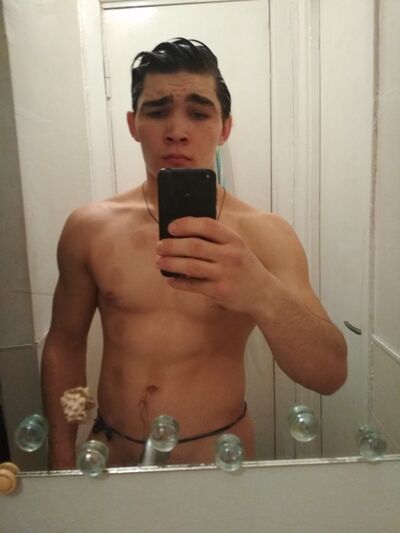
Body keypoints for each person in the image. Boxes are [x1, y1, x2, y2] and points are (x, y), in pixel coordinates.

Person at [41, 38, 347, 469]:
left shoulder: (264, 234)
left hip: (217, 462)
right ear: (133, 124)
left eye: (199, 113)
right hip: (113, 456)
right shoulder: (89, 229)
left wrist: (260, 291)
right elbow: (66, 346)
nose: (177, 130)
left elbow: (329, 374)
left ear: (225, 128)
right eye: (157, 111)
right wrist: (61, 451)